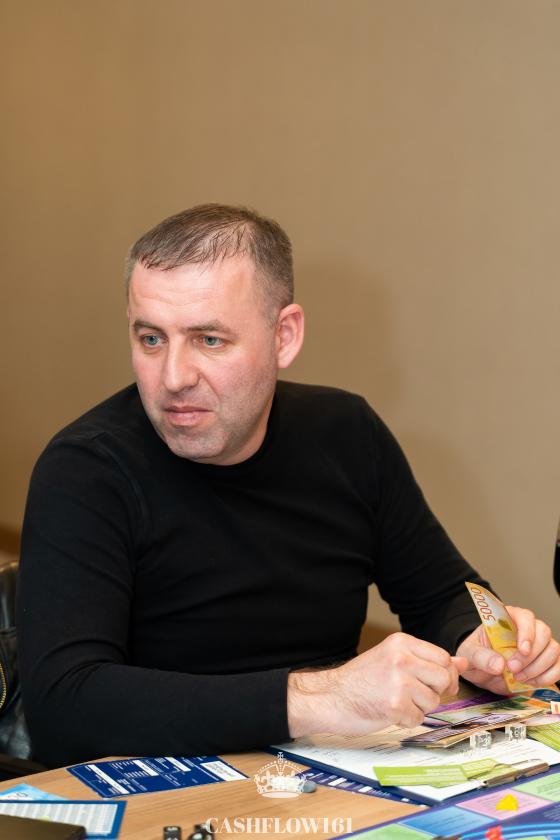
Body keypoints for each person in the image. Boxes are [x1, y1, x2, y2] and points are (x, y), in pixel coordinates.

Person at [18, 204, 560, 768]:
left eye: (209, 340)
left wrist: (484, 643)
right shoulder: (87, 469)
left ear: (284, 336)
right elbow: (65, 705)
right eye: (151, 338)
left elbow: (441, 596)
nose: (173, 377)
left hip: (330, 771)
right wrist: (320, 699)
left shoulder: (345, 433)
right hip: (166, 778)